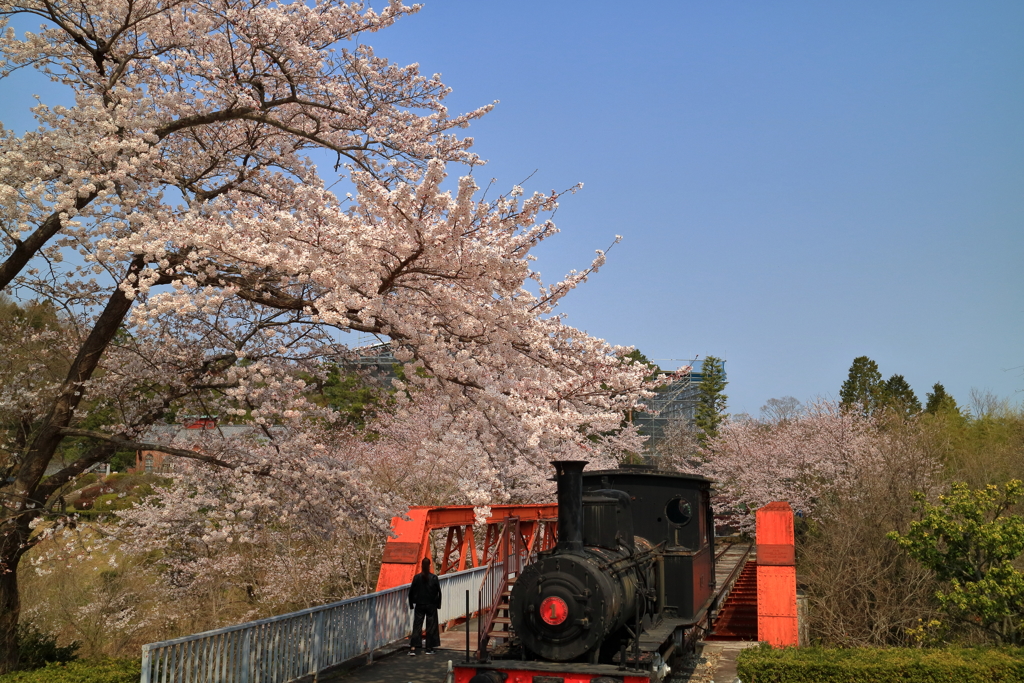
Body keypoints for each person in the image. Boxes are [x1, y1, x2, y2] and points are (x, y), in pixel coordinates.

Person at [408, 557, 442, 655]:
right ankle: (429, 648)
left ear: (421, 566)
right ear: (430, 565)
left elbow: (411, 592)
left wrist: (411, 604)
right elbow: (439, 592)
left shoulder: (417, 577)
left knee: (417, 625)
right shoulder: (434, 577)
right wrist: (438, 604)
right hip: (431, 605)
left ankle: (413, 648)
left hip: (419, 604)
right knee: (431, 626)